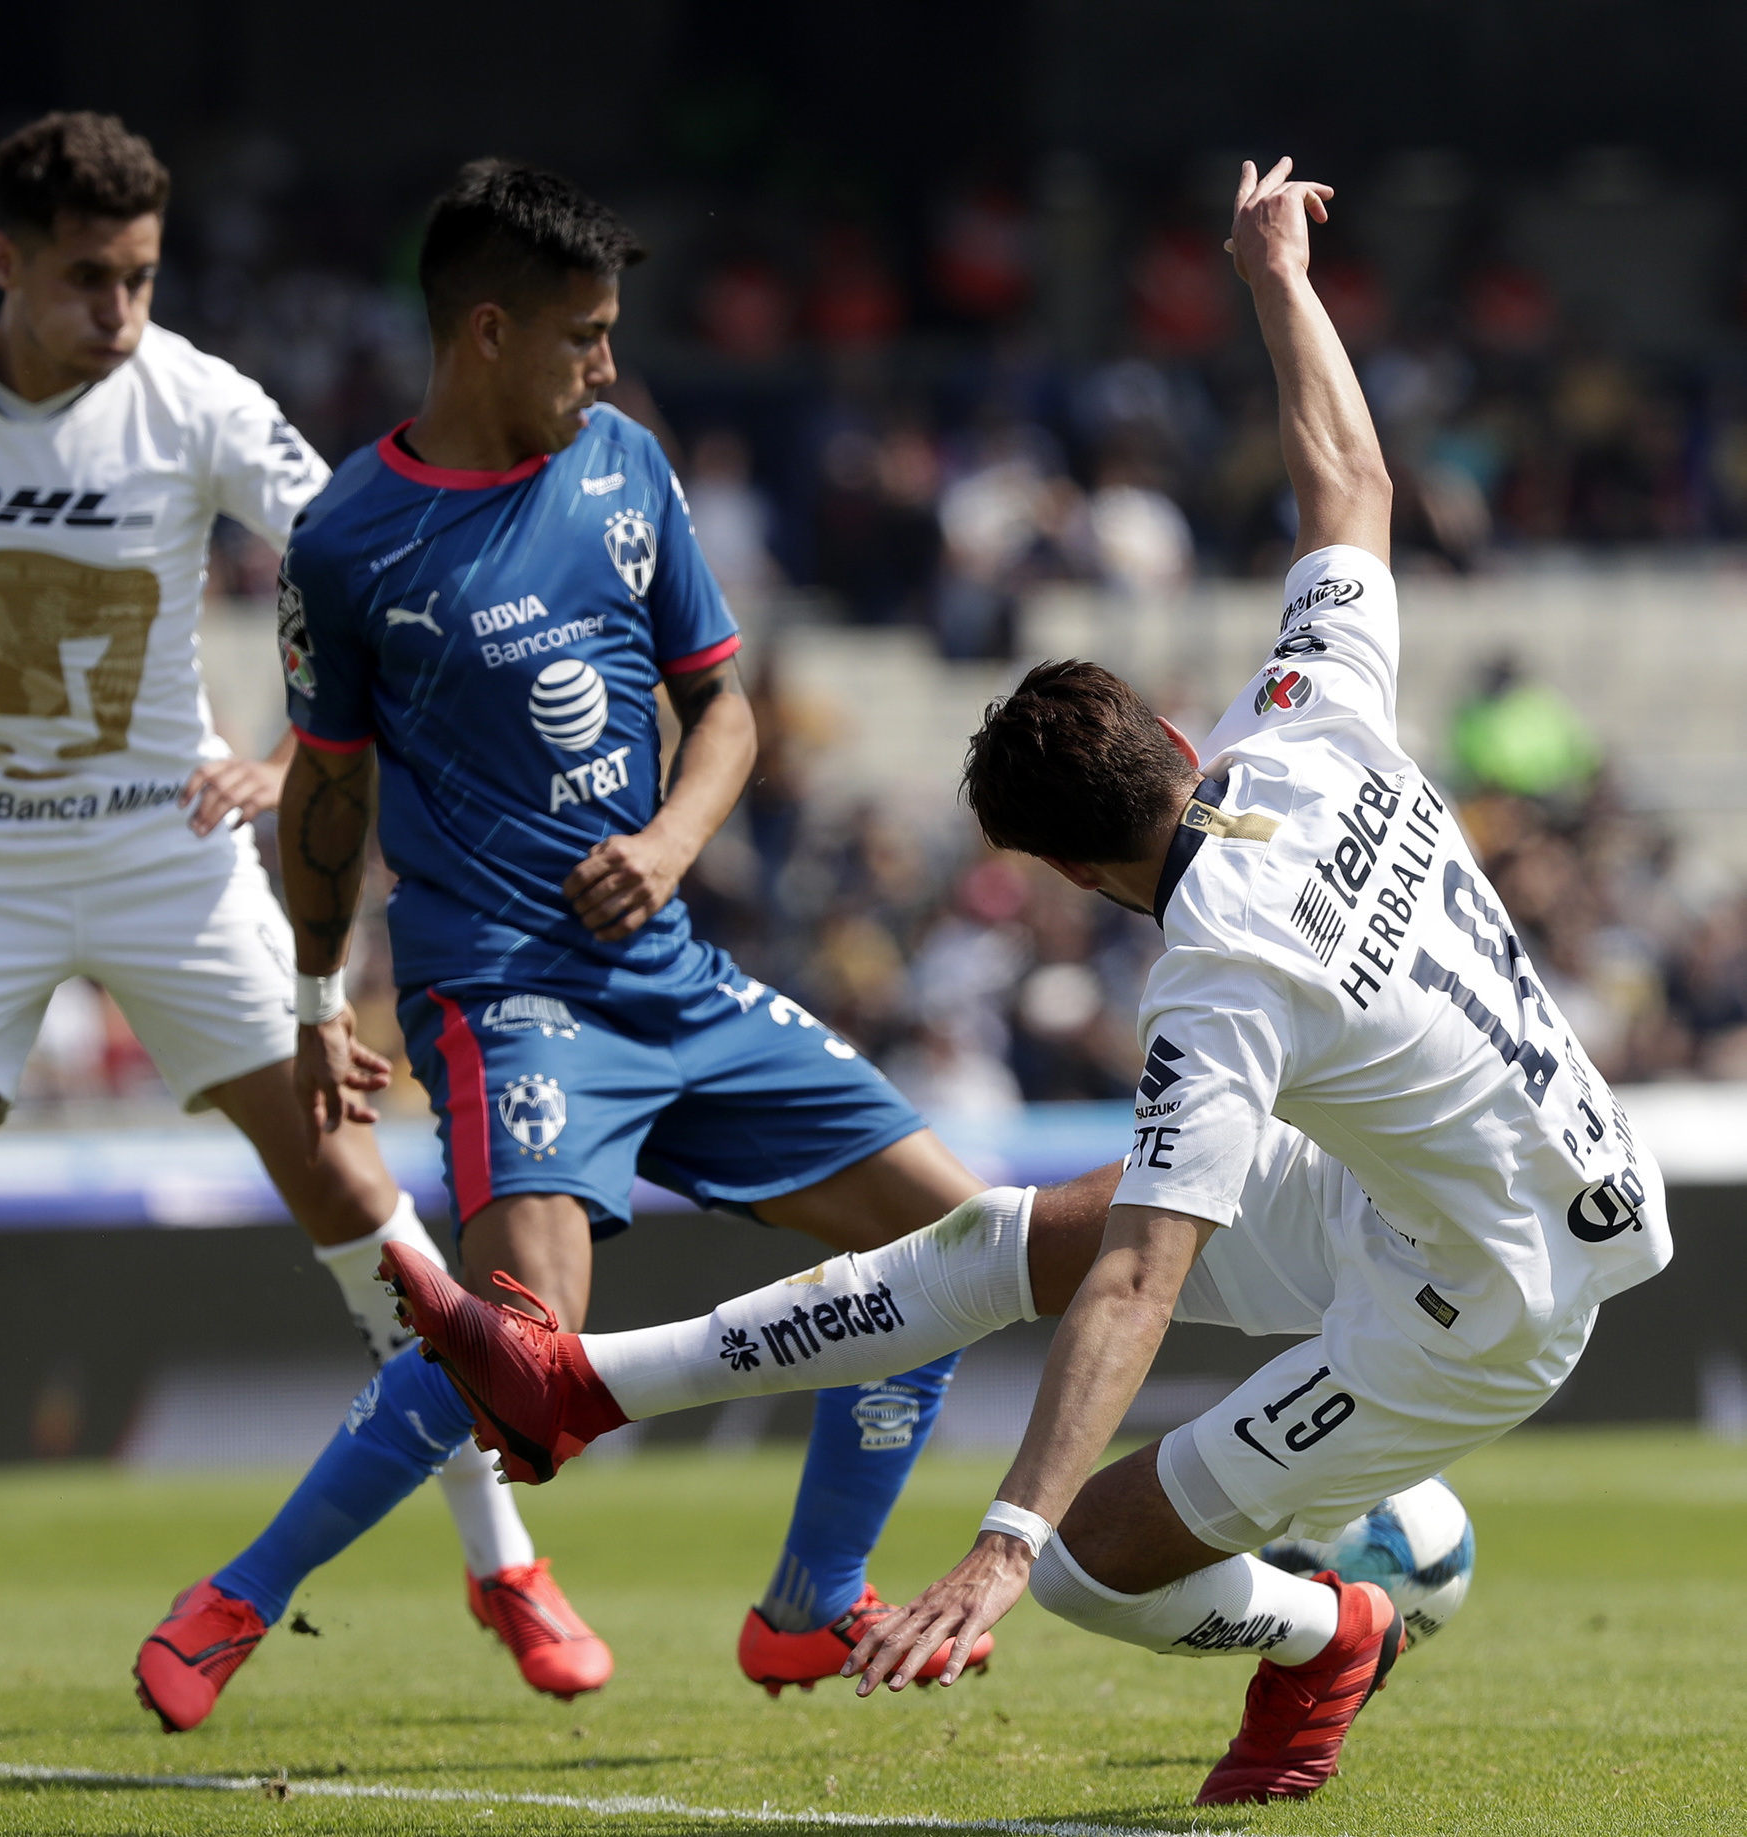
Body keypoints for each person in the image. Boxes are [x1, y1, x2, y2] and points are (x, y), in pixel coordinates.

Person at [383, 157, 1673, 1807]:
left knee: (1090, 1563)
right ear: (1185, 738)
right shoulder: (1311, 726)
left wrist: (1006, 1541)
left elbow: (1144, 1283)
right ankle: (588, 1384)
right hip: (1443, 1180)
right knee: (1011, 1235)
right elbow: (1352, 483)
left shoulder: (1216, 984)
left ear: (1067, 875)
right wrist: (1275, 273)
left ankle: (1327, 1629)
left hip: (1479, 1301)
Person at [0, 112, 587, 1744]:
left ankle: (506, 1560)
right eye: (92, 281)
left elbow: (361, 555)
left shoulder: (194, 400)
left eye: (144, 278)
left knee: (356, 1197)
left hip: (169, 860)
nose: (124, 313)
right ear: (5, 264)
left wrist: (285, 754)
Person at [132, 159, 997, 1726]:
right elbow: (327, 793)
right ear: (485, 333)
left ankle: (811, 1605)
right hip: (506, 994)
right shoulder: (351, 537)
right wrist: (322, 993)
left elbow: (724, 707)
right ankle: (236, 1598)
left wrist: (670, 843)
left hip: (671, 977)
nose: (606, 365)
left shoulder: (625, 467)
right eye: (583, 335)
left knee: (967, 1251)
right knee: (527, 1353)